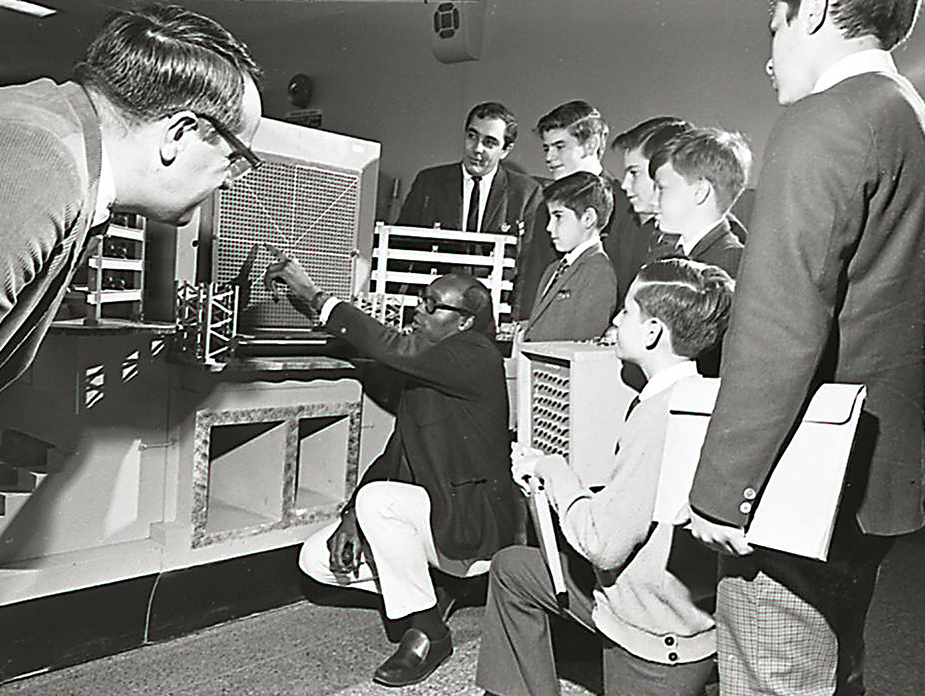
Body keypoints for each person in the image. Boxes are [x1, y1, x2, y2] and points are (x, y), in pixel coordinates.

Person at [0, 3, 263, 626]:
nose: (231, 181)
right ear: (180, 135)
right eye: (239, 157)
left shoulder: (62, 150)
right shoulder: (32, 160)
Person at [687, 1, 925, 694]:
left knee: (774, 671)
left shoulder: (826, 118)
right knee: (834, 669)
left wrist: (723, 490)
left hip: (800, 485)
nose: (769, 57)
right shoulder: (906, 113)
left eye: (776, 28)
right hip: (878, 475)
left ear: (816, 9)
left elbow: (781, 321)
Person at [476, 258, 735, 696]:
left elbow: (604, 546)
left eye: (627, 311)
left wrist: (555, 474)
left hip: (654, 637)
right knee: (514, 569)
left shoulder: (658, 416)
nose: (615, 320)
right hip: (680, 608)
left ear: (653, 331)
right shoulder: (698, 393)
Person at [263, 248, 518, 688]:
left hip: (474, 532)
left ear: (465, 322)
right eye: (421, 299)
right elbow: (396, 453)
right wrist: (351, 519)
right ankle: (429, 592)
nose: (420, 310)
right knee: (316, 562)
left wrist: (312, 293)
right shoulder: (432, 367)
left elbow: (391, 346)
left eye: (434, 305)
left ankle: (429, 633)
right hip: (437, 518)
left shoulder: (476, 354)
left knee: (379, 502)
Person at [397, 102, 553, 321]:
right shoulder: (429, 183)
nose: (477, 149)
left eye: (489, 142)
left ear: (506, 150)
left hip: (492, 316)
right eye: (472, 136)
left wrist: (515, 322)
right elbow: (401, 251)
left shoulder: (526, 193)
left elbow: (528, 269)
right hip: (434, 314)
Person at [535, 101, 641, 301]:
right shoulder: (545, 204)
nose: (549, 157)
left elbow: (628, 277)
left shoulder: (626, 204)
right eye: (546, 148)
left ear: (591, 145)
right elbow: (535, 272)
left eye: (559, 146)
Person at [524, 171, 617, 342]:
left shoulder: (598, 271)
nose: (549, 227)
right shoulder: (553, 269)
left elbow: (583, 345)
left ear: (588, 219)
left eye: (558, 217)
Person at [648, 127, 751, 277]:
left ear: (700, 192)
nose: (652, 201)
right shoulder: (665, 252)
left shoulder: (731, 266)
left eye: (662, 188)